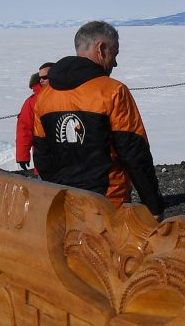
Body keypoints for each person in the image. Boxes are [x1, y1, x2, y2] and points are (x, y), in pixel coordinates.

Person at [33, 21, 164, 218]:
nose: (115, 63)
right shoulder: (112, 91)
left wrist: (61, 191)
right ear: (101, 49)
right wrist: (153, 206)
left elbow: (42, 156)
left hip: (67, 204)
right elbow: (134, 152)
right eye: (115, 54)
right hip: (108, 204)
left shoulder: (45, 96)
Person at [15, 61, 53, 172]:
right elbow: (25, 129)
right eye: (41, 78)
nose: (42, 80)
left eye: (45, 77)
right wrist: (22, 156)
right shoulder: (31, 102)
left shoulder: (70, 94)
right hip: (44, 159)